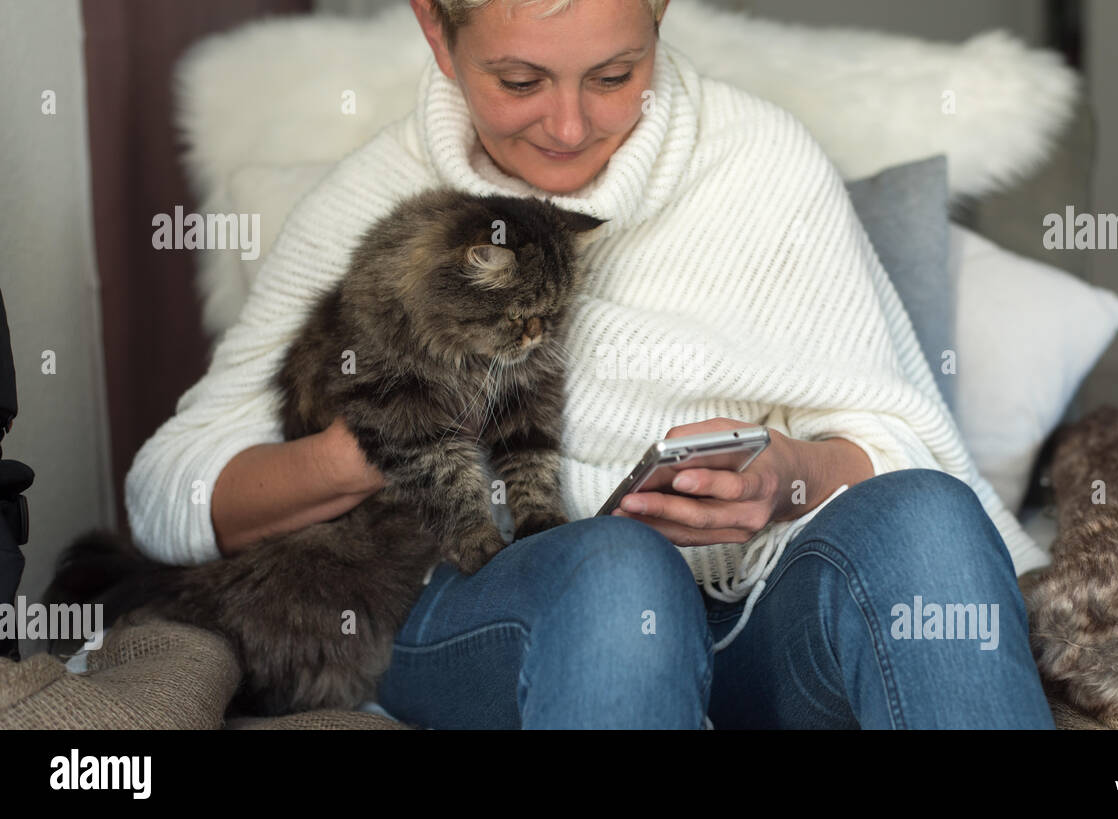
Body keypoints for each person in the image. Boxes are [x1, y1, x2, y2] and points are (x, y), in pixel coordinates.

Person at [126, 0, 1055, 728]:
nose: (568, 127)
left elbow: (899, 434)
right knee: (617, 569)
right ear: (436, 33)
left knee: (929, 517)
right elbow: (170, 486)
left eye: (615, 75)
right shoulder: (375, 205)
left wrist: (792, 477)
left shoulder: (759, 159)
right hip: (499, 614)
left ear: (660, 22)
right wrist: (386, 439)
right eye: (520, 78)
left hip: (753, 619)